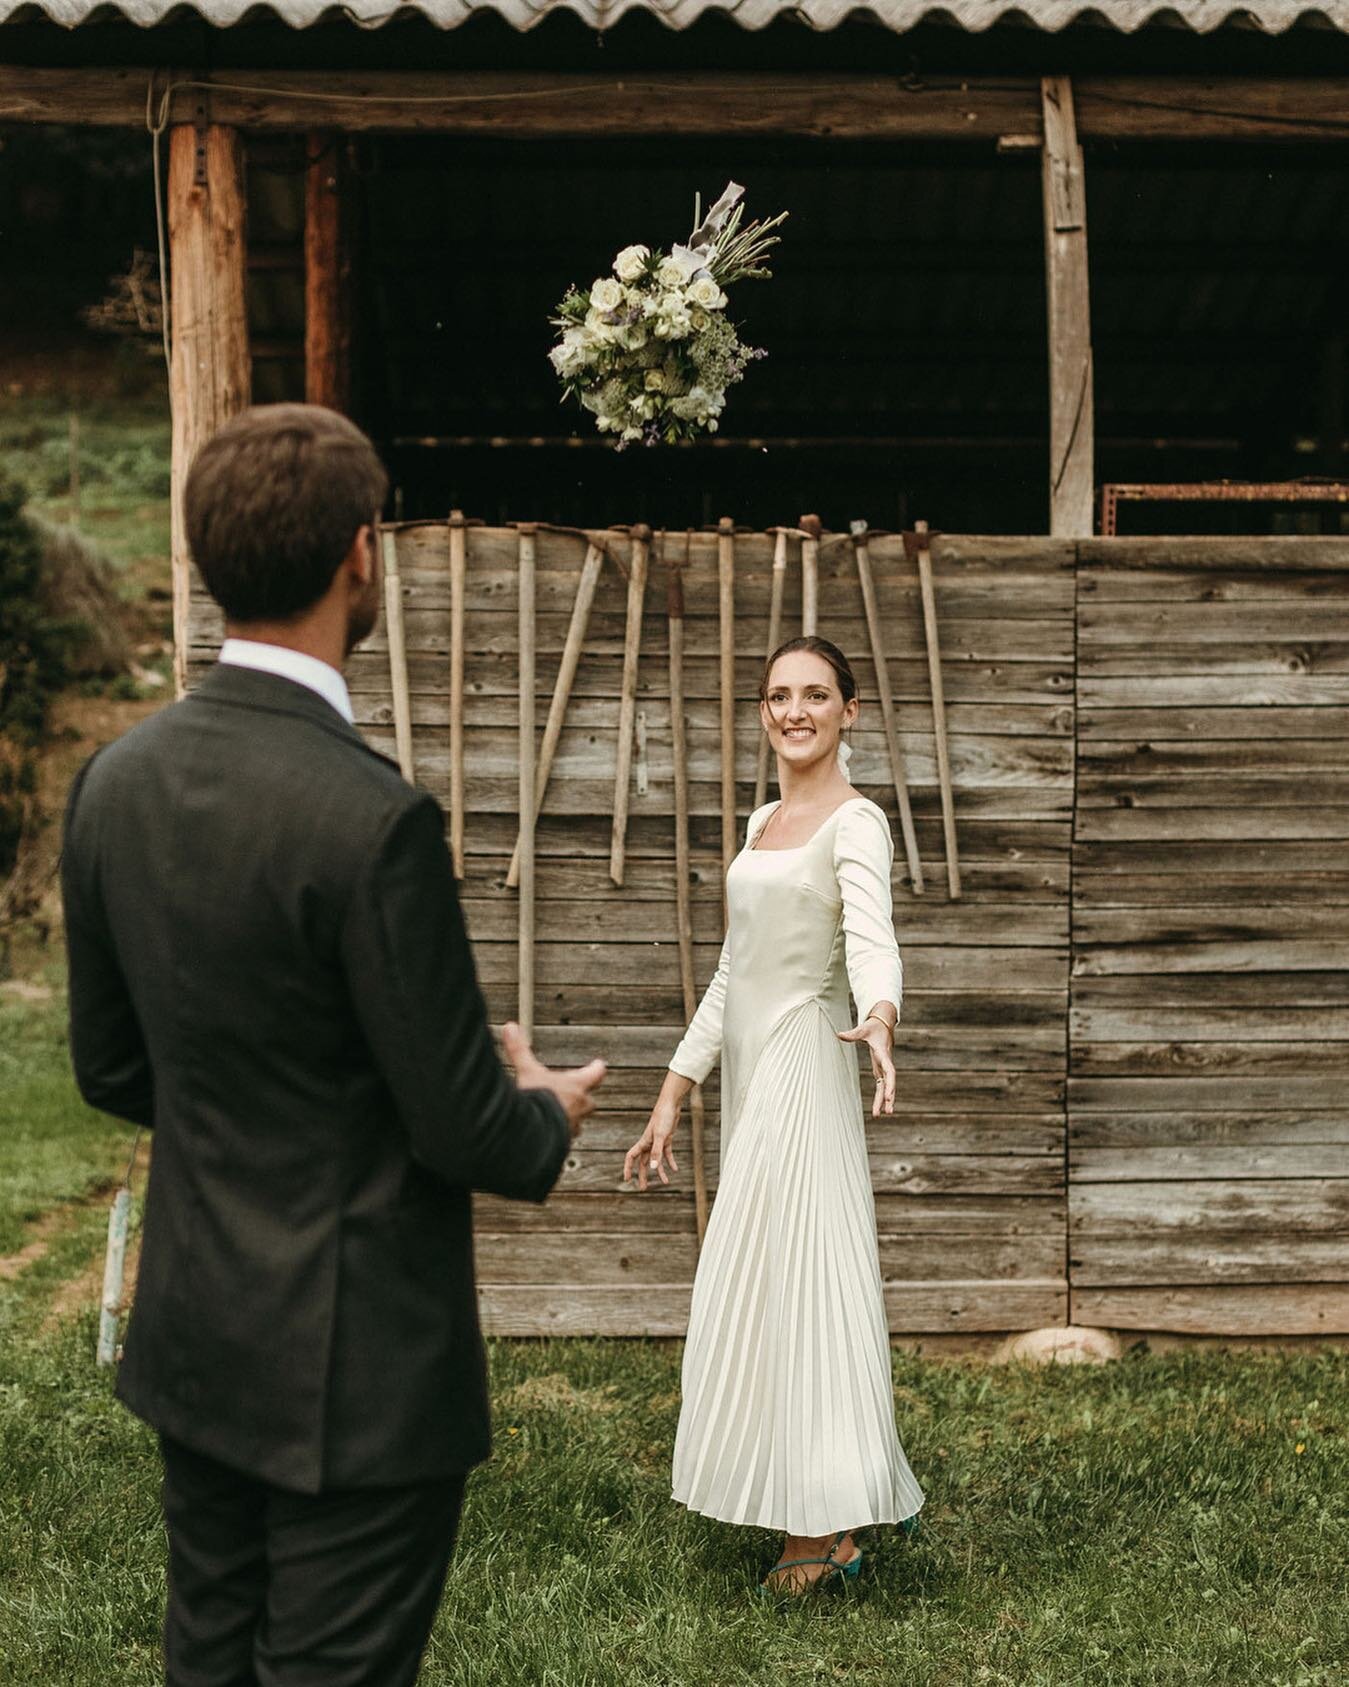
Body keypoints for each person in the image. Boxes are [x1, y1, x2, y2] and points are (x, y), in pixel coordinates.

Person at [61, 403, 606, 1685]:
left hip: (196, 1343)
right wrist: (543, 1105)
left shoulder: (114, 782)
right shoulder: (373, 823)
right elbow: (462, 1123)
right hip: (356, 1384)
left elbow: (109, 1068)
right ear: (361, 554)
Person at [624, 634, 923, 1594]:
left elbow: (873, 939)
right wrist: (678, 1086)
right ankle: (804, 1506)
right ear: (764, 712)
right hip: (750, 1073)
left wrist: (878, 1016)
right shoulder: (760, 822)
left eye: (815, 695)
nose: (794, 710)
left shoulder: (857, 821)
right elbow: (731, 969)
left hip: (806, 1062)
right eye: (777, 696)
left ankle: (824, 1529)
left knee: (804, 1277)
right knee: (757, 1286)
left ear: (849, 711)